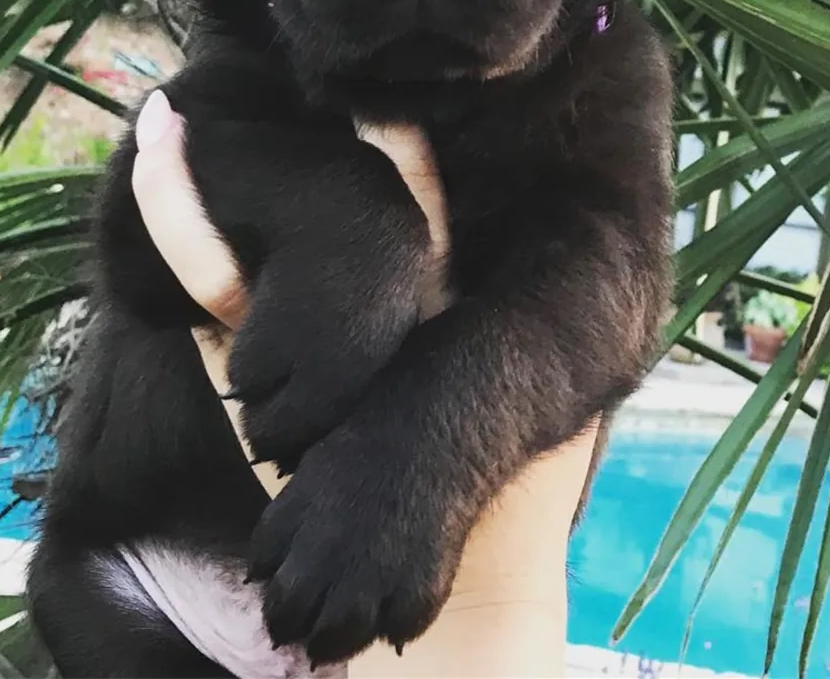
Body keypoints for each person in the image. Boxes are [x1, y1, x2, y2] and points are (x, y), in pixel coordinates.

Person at [130, 89, 598, 678]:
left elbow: (606, 283)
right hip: (154, 588)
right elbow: (138, 252)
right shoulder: (250, 62)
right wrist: (350, 225)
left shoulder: (596, 94)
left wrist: (428, 464)